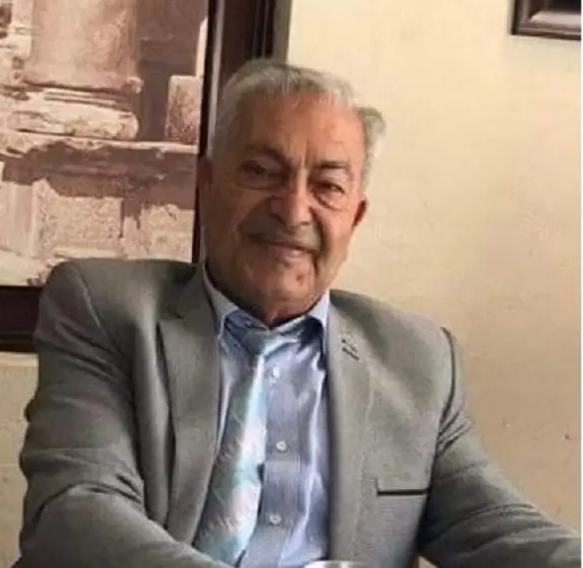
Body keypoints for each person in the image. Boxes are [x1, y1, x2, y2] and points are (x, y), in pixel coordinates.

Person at [14, 59, 579, 568]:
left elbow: (491, 524)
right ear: (207, 186)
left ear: (355, 217)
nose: (292, 210)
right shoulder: (106, 309)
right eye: (262, 172)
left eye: (327, 186)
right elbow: (76, 510)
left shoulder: (418, 360)